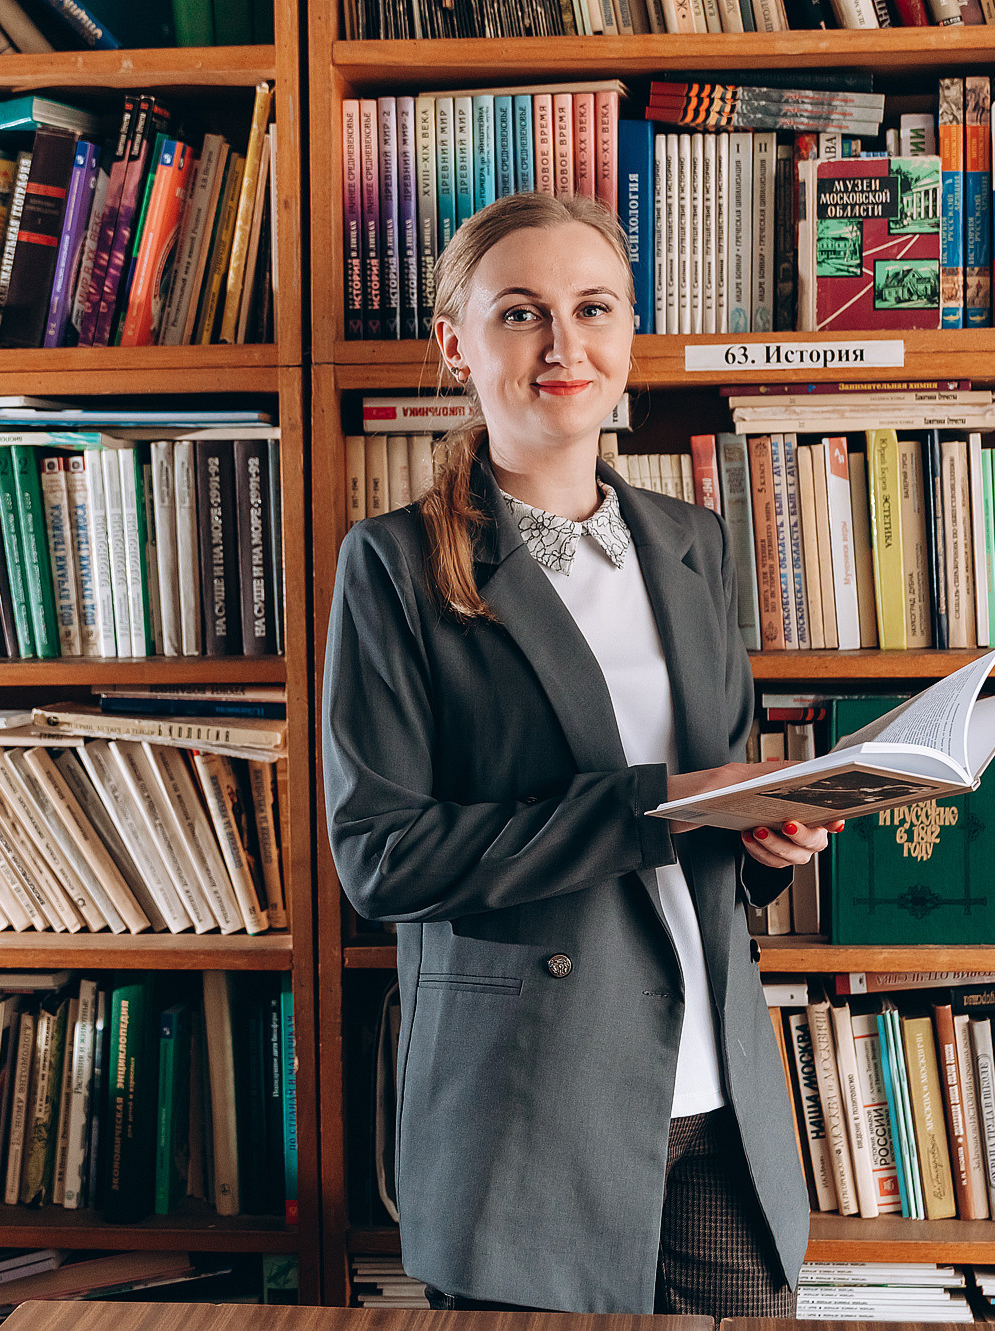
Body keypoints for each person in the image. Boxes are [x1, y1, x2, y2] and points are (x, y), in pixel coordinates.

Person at [322, 190, 839, 1318]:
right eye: (521, 313)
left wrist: (765, 836)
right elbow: (381, 859)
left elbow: (713, 814)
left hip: (716, 1091)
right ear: (456, 345)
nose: (564, 345)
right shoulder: (393, 564)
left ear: (628, 332)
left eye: (593, 308)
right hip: (530, 1108)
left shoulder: (693, 540)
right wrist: (657, 804)